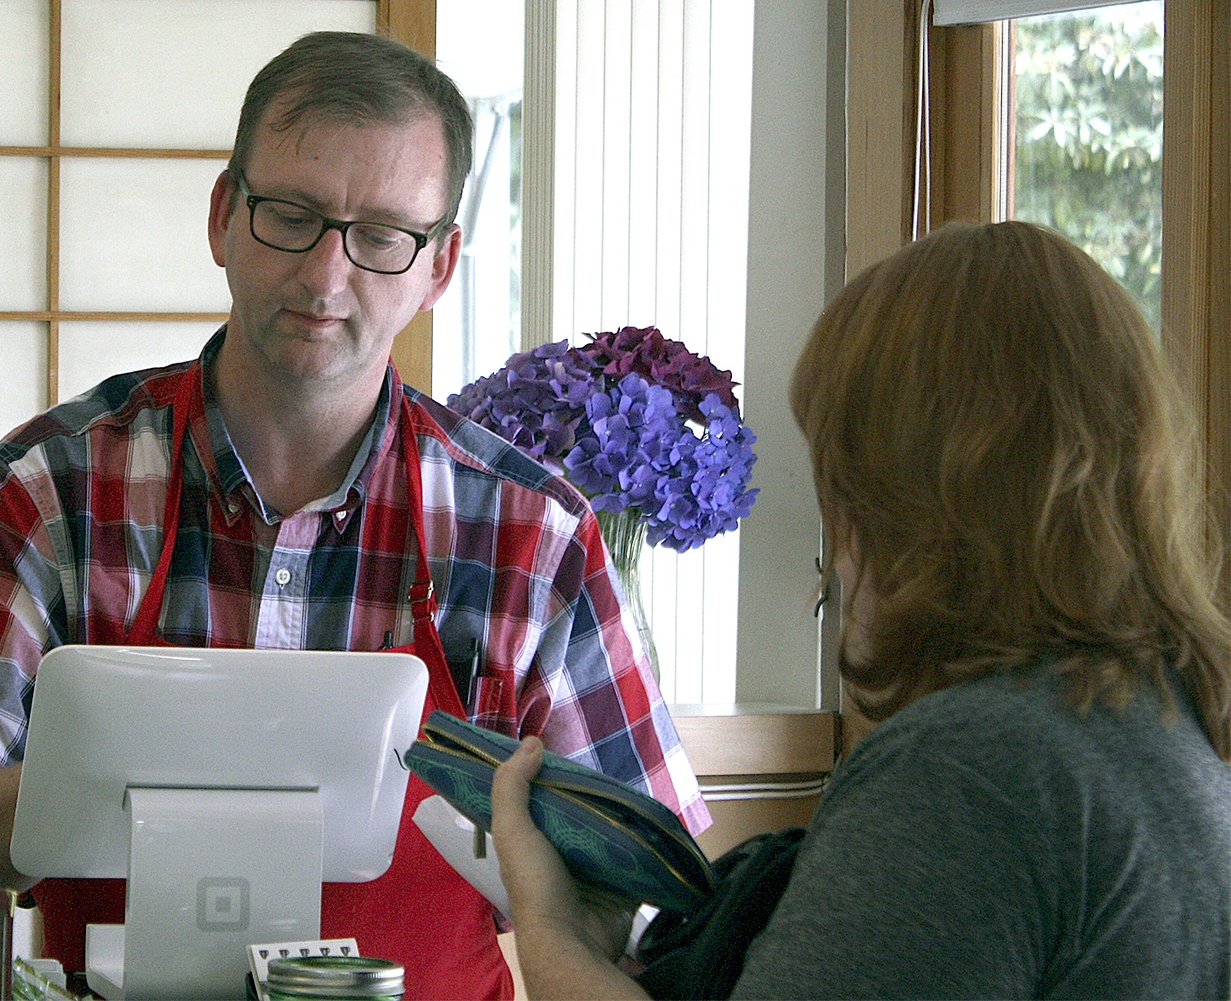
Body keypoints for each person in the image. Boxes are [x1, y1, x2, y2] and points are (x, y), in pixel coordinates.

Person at [0, 30, 709, 1000]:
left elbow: (637, 872)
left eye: (380, 236)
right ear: (222, 216)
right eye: (291, 216)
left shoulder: (530, 536)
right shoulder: (52, 491)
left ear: (439, 266)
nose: (326, 279)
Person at [492, 220, 1231, 999]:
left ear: (902, 492)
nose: (834, 553)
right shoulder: (1175, 731)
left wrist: (553, 934)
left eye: (837, 482)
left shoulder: (966, 776)